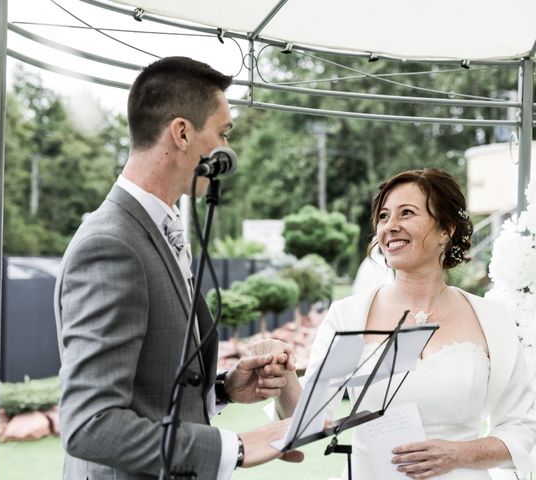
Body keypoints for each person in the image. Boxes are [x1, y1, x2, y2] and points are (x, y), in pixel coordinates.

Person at [54, 56, 300, 480]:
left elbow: (151, 386)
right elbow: (89, 425)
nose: (227, 152)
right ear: (182, 133)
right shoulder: (111, 244)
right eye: (222, 134)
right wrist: (238, 447)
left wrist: (222, 387)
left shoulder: (152, 227)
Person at [267, 168, 536, 479]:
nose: (390, 226)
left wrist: (459, 453)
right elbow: (310, 420)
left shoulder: (491, 318)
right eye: (383, 217)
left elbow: (522, 426)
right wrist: (283, 374)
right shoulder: (349, 316)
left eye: (406, 213)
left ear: (446, 229)